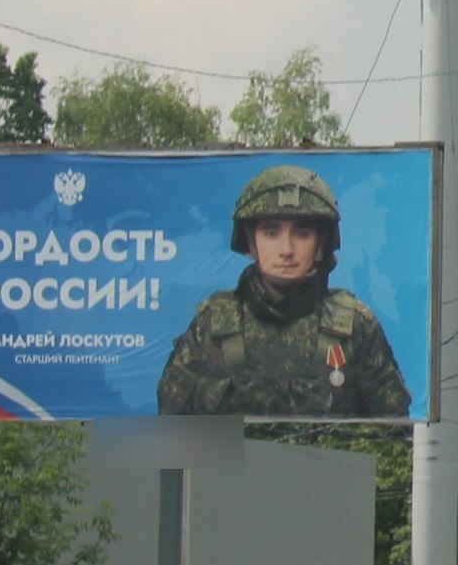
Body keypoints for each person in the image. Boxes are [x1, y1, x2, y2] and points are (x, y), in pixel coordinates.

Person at [156, 164, 411, 417]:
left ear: (320, 244)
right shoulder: (211, 326)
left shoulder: (355, 328)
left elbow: (394, 437)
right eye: (271, 233)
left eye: (301, 233)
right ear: (251, 243)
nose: (286, 249)